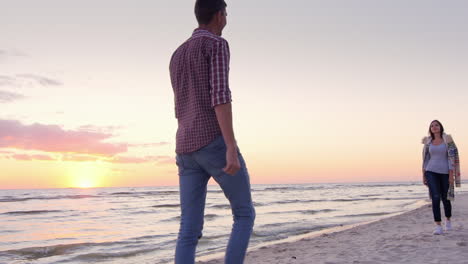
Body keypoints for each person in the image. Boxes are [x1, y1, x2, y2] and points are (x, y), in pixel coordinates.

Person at [169, 0, 255, 263]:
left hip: (185, 146)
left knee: (189, 229)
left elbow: (179, 105)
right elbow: (220, 96)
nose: (226, 19)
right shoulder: (216, 44)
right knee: (244, 214)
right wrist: (230, 145)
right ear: (219, 16)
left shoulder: (177, 54)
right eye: (226, 13)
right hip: (212, 141)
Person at [422, 120, 461, 235]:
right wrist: (423, 174)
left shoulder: (447, 140)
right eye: (432, 126)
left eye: (436, 125)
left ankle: (448, 219)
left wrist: (451, 175)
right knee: (435, 197)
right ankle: (438, 225)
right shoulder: (428, 142)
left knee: (446, 198)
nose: (434, 127)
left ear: (440, 127)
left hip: (445, 172)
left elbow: (451, 158)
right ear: (430, 129)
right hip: (430, 171)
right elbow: (425, 159)